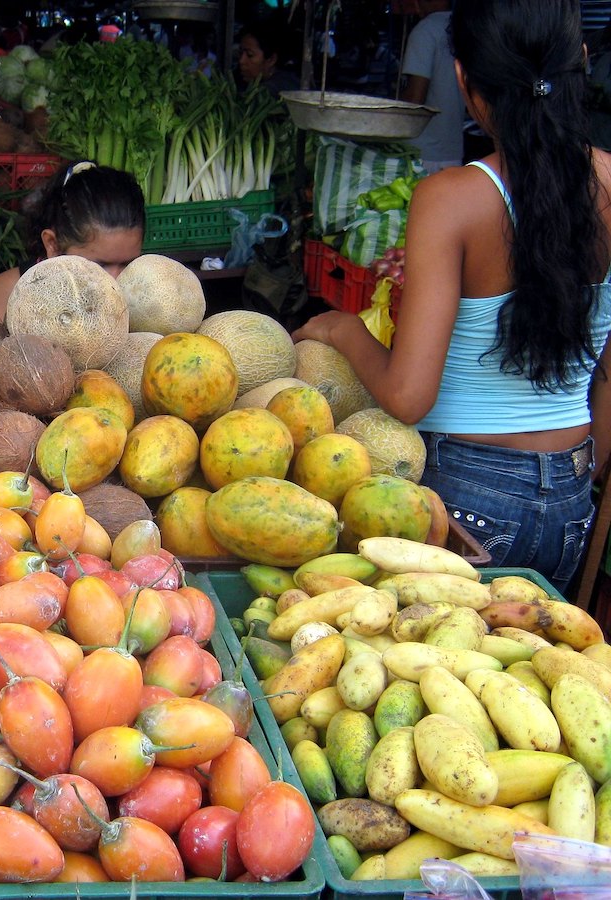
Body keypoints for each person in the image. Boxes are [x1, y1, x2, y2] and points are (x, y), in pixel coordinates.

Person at [292, 0, 611, 597]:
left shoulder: (453, 198)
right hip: (571, 495)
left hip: (465, 498)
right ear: (583, 61)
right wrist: (577, 468)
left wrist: (342, 329)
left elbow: (409, 397)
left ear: (463, 80)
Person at [0, 161, 146, 324]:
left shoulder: (145, 307)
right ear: (52, 245)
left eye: (128, 264)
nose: (115, 282)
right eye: (99, 265)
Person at [401, 0, 466, 173]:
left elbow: (415, 99)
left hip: (423, 153)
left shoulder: (425, 30)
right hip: (453, 150)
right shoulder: (463, 28)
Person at [237, 20, 300, 97]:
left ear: (271, 59)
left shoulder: (271, 90)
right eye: (240, 53)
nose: (241, 61)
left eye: (250, 55)